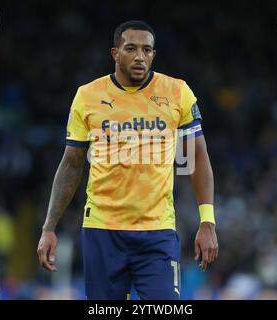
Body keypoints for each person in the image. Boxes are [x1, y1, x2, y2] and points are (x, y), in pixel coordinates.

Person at [37, 20, 218, 300]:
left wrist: (207, 221)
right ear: (115, 53)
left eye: (147, 50)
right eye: (131, 48)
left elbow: (197, 157)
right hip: (102, 230)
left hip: (157, 231)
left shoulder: (177, 92)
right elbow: (72, 163)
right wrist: (49, 227)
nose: (139, 56)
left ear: (154, 55)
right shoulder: (87, 96)